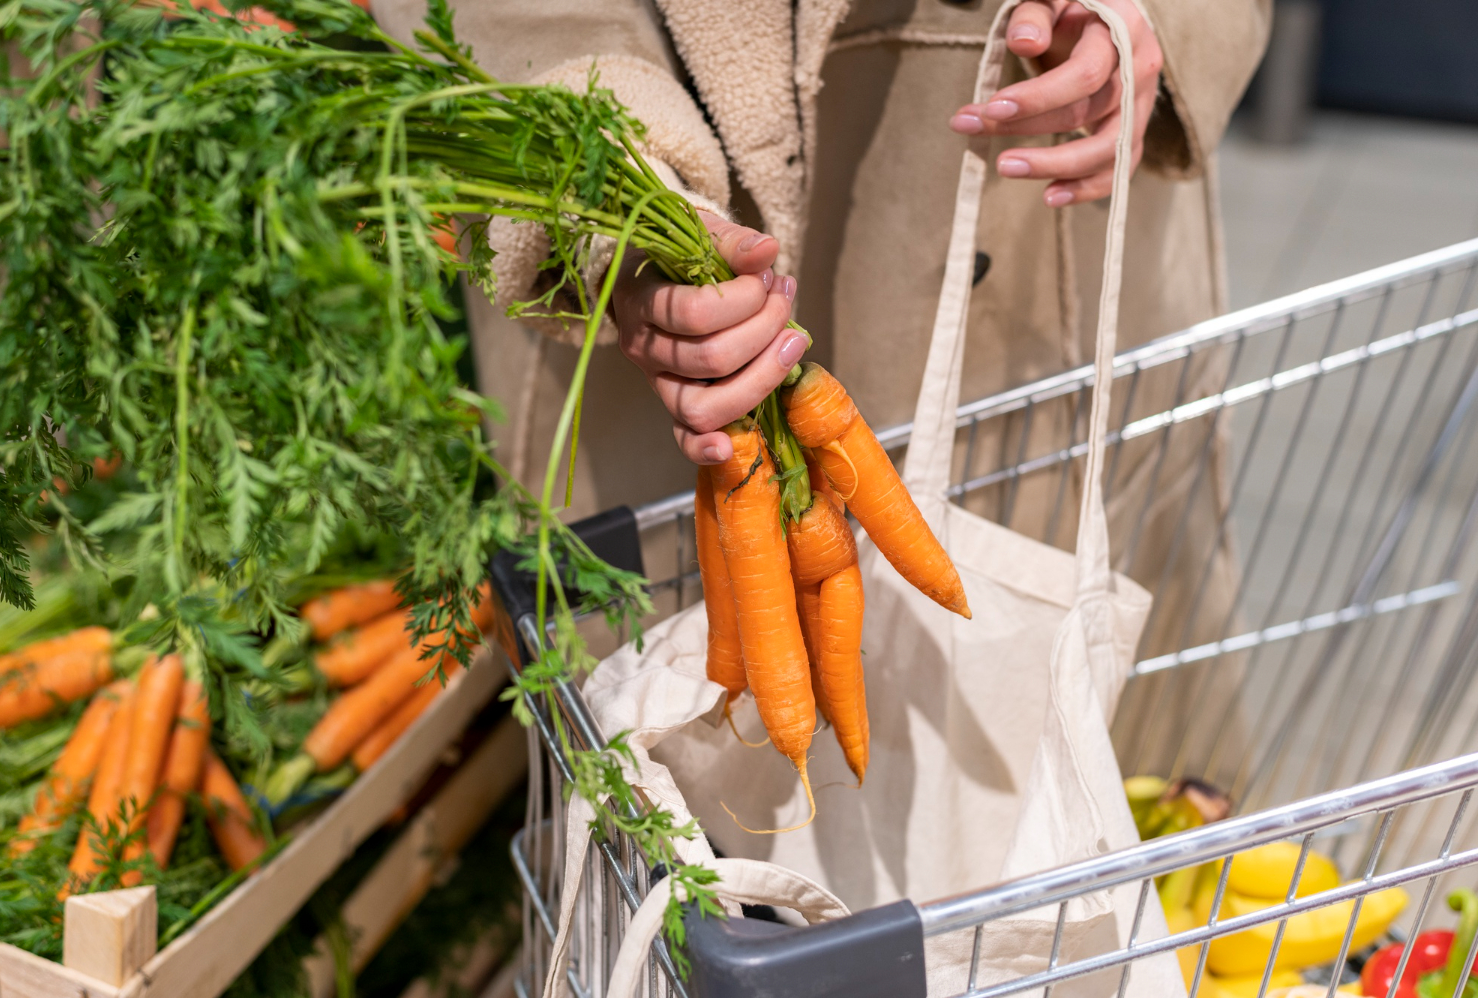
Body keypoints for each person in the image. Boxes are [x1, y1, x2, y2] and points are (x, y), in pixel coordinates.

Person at [367, 0, 1270, 775]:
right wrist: (603, 186)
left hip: (1055, 189)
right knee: (694, 811)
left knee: (1107, 801)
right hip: (659, 242)